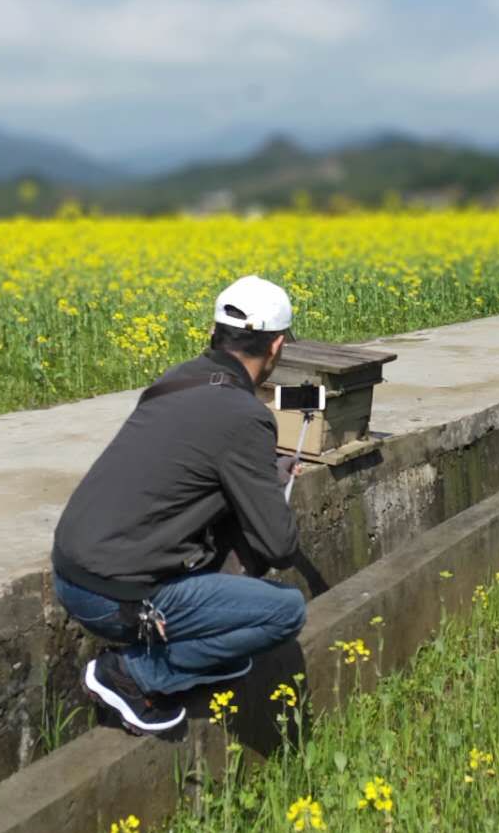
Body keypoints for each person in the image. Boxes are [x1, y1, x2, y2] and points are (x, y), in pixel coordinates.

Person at [51, 275, 307, 735]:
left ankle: (188, 660)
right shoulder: (246, 416)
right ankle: (132, 674)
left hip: (71, 573)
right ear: (277, 347)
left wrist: (261, 474)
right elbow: (279, 545)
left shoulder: (180, 378)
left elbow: (188, 467)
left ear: (215, 333)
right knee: (286, 610)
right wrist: (268, 487)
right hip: (115, 598)